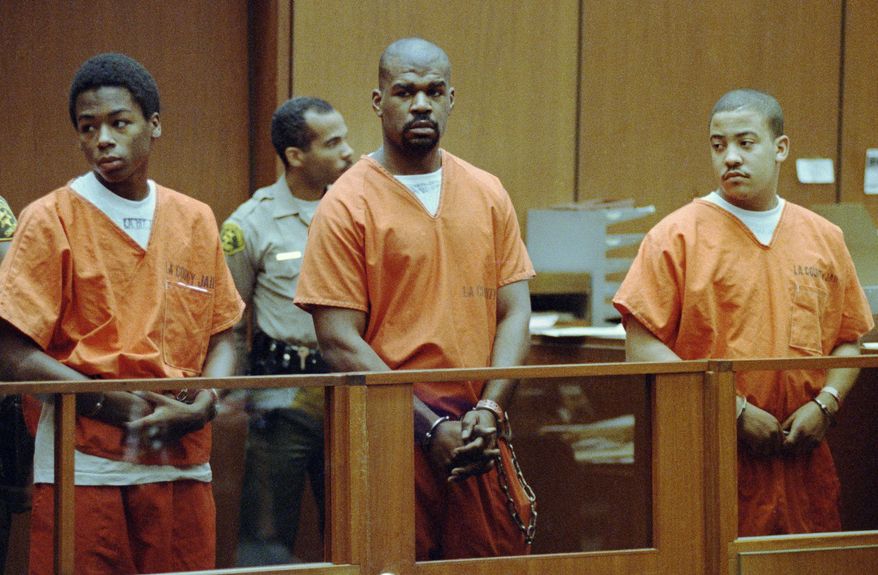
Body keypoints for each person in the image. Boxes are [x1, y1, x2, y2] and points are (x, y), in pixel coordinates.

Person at [0, 53, 244, 574]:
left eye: (118, 122)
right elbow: (13, 353)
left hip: (182, 460)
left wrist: (206, 404)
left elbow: (224, 335)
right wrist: (113, 405)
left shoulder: (194, 219)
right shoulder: (50, 219)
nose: (102, 139)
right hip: (87, 465)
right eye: (88, 128)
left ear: (154, 125)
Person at [294, 37, 536, 560]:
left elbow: (515, 311)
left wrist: (491, 409)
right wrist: (430, 426)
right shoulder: (347, 202)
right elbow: (337, 339)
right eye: (405, 91)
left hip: (477, 433)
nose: (421, 103)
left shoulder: (487, 190)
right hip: (391, 433)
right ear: (379, 101)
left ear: (452, 98)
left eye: (433, 91)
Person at [613, 89, 874, 536]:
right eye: (719, 145)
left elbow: (849, 337)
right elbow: (640, 347)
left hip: (801, 465)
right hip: (713, 460)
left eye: (745, 143)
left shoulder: (824, 238)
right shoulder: (676, 237)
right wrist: (729, 411)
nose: (730, 157)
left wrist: (826, 405)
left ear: (780, 148)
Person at [221, 96, 353, 564]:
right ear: (296, 156)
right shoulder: (250, 224)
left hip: (349, 390)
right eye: (334, 143)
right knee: (269, 535)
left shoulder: (358, 212)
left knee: (355, 528)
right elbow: (231, 325)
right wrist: (236, 394)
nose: (349, 152)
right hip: (284, 395)